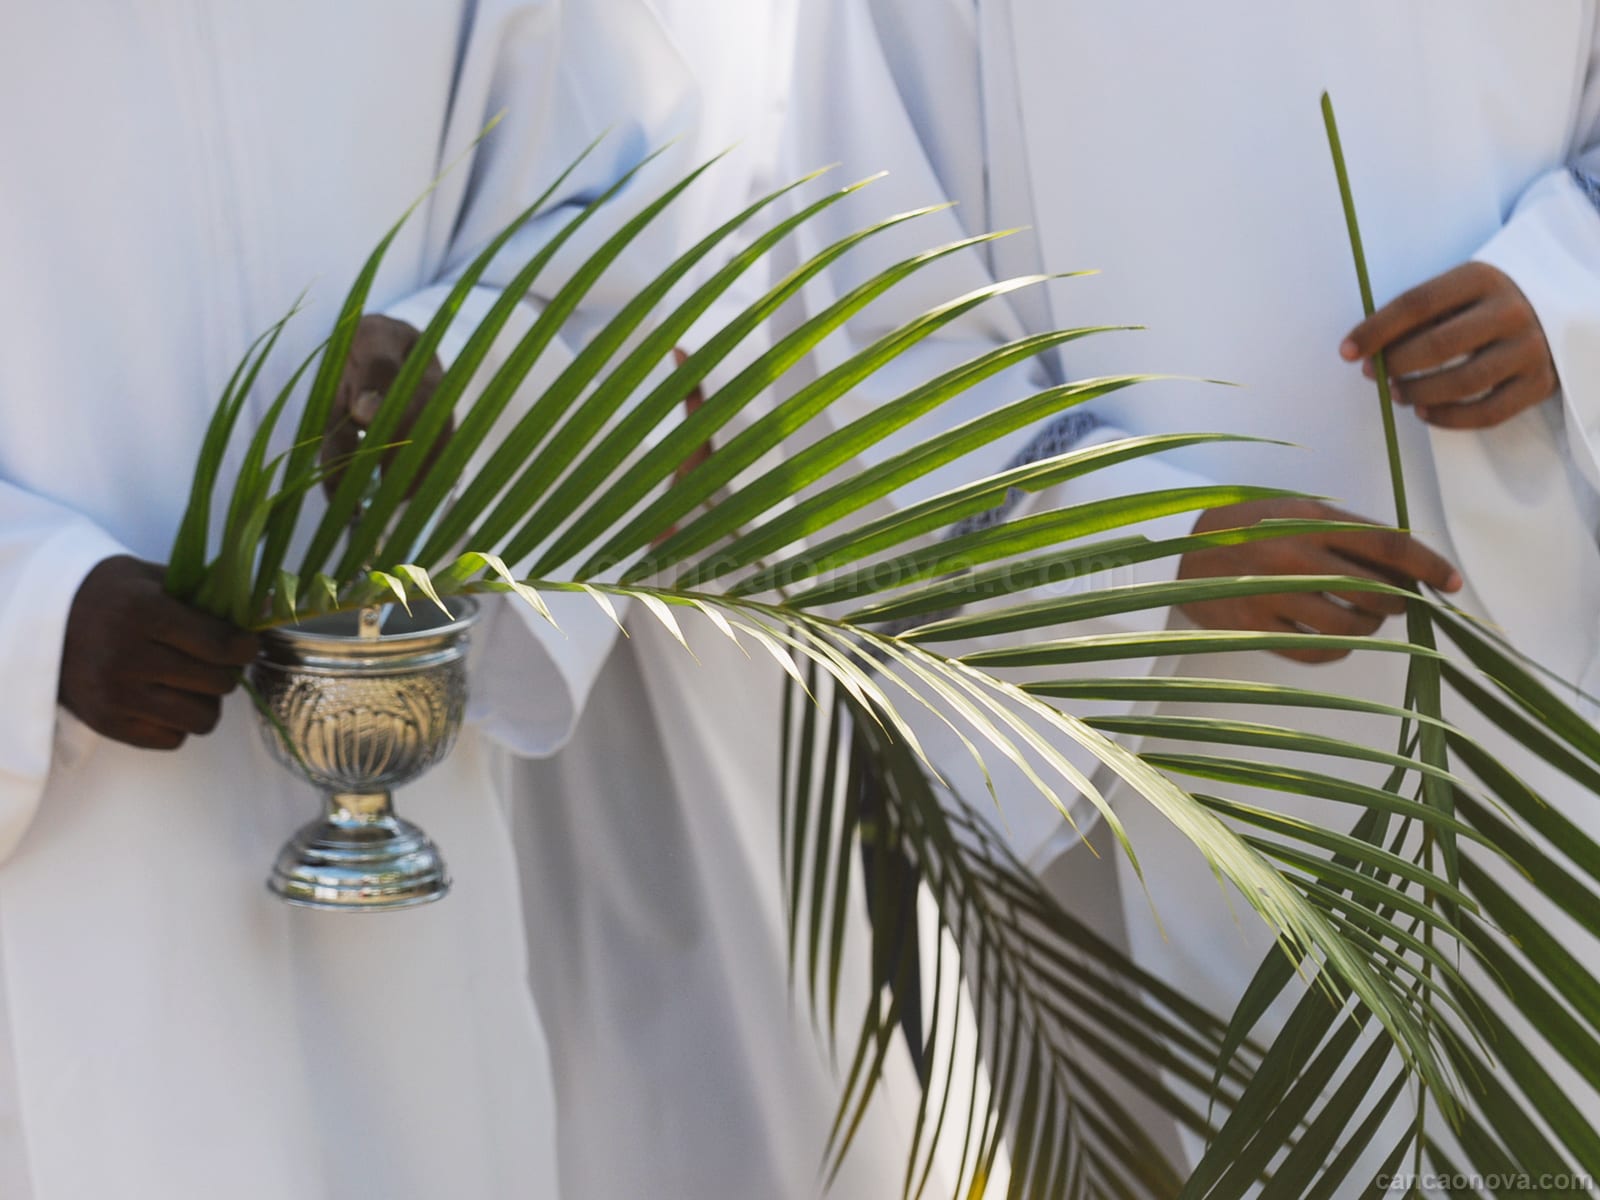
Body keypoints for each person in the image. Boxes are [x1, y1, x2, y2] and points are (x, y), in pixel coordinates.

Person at [782, 0, 1600, 1182]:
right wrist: (1151, 543)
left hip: (1538, 659)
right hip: (1163, 714)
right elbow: (861, 297)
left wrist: (1566, 299)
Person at [0, 4, 702, 1196]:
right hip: (57, 887)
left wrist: (464, 367)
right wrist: (28, 615)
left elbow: (626, 256)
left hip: (407, 927)